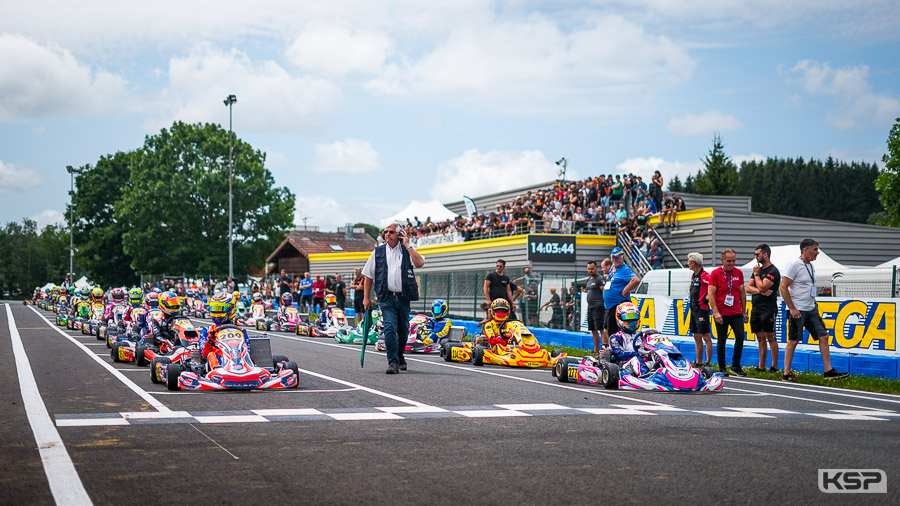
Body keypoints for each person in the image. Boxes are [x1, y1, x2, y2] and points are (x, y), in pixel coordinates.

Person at [780, 239, 849, 381]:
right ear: (805, 250)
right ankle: (786, 372)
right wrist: (792, 308)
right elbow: (783, 287)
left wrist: (814, 302)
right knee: (793, 340)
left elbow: (807, 287)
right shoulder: (794, 265)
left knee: (823, 336)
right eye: (815, 249)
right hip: (798, 310)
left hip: (811, 308)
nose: (817, 253)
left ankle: (828, 370)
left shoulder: (810, 266)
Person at [362, 222, 425, 374]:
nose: (387, 234)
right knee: (390, 327)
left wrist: (408, 245)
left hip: (403, 297)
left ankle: (400, 355)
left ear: (399, 234)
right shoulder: (377, 252)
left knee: (403, 330)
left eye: (391, 232)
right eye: (386, 232)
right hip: (386, 297)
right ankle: (393, 362)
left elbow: (420, 263)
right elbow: (368, 276)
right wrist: (366, 298)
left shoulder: (406, 250)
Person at [707, 248, 747, 377]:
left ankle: (735, 366)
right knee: (722, 339)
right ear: (722, 260)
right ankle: (722, 367)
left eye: (733, 261)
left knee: (740, 336)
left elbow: (742, 293)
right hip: (721, 312)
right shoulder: (715, 273)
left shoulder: (738, 273)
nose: (731, 263)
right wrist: (716, 312)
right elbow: (711, 294)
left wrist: (744, 311)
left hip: (735, 311)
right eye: (728, 261)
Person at [746, 244, 781, 372]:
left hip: (768, 308)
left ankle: (774, 366)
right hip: (756, 307)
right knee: (760, 337)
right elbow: (748, 288)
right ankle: (761, 366)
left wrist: (756, 276)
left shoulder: (772, 271)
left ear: (765, 255)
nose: (755, 257)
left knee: (770, 337)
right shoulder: (757, 271)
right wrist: (760, 291)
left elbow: (762, 286)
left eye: (757, 254)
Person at [602, 247, 641, 348]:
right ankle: (611, 350)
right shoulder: (613, 268)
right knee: (609, 331)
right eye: (613, 258)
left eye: (617, 258)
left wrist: (625, 290)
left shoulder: (624, 269)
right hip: (611, 306)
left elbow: (636, 280)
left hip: (619, 305)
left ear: (622, 257)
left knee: (617, 332)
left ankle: (620, 351)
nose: (615, 260)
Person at [199, 292, 250, 367]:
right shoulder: (207, 331)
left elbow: (247, 351)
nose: (217, 313)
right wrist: (210, 339)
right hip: (218, 363)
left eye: (220, 309)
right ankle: (218, 372)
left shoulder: (241, 331)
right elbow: (204, 354)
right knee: (212, 354)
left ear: (231, 310)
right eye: (214, 309)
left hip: (239, 361)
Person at [608, 302, 652, 377]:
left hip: (644, 362)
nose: (632, 322)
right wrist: (639, 354)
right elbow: (620, 355)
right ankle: (646, 376)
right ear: (620, 319)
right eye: (628, 318)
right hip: (625, 366)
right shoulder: (615, 337)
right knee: (636, 359)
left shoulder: (643, 335)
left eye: (634, 317)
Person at [687, 252, 712, 367]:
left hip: (702, 309)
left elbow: (713, 289)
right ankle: (699, 361)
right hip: (693, 308)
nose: (688, 264)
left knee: (706, 336)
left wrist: (707, 298)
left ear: (694, 263)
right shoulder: (693, 276)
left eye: (689, 261)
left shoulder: (705, 275)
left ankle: (708, 362)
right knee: (696, 336)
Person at [584, 260, 605, 354]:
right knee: (593, 329)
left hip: (598, 307)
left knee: (601, 328)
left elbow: (604, 292)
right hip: (590, 307)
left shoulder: (599, 279)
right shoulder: (589, 279)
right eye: (588, 269)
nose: (590, 270)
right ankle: (596, 350)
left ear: (596, 268)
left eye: (592, 268)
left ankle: (605, 349)